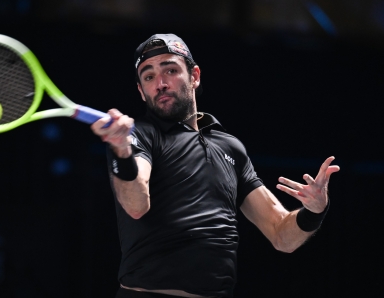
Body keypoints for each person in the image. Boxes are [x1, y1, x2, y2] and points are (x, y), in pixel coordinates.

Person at [90, 34, 340, 298]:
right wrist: (120, 149)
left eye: (171, 70)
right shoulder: (139, 135)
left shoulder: (230, 148)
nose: (160, 84)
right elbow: (135, 204)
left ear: (194, 76)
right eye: (149, 76)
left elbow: (281, 235)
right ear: (141, 91)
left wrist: (314, 210)